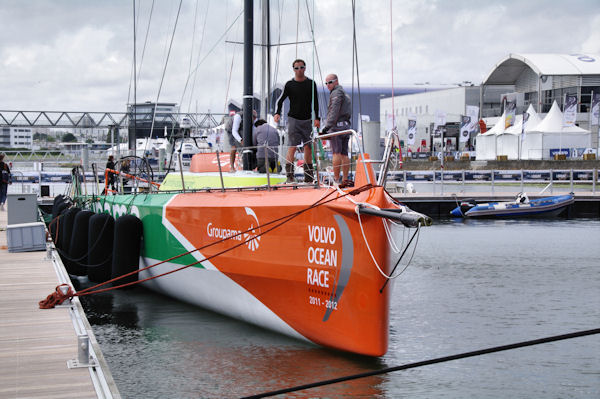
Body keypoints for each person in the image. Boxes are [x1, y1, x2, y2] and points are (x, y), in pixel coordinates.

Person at [274, 59, 320, 183]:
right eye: (296, 68)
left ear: (305, 68)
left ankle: (309, 177)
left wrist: (317, 118)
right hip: (293, 119)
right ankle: (289, 177)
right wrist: (277, 113)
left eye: (301, 67)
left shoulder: (311, 83)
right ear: (293, 69)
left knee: (308, 147)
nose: (299, 70)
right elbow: (280, 100)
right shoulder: (289, 84)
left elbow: (315, 101)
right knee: (292, 147)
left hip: (307, 119)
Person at [321, 74, 352, 187]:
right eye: (326, 83)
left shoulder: (336, 94)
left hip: (337, 127)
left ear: (336, 82)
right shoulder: (345, 95)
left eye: (330, 82)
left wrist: (326, 127)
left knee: (336, 153)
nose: (328, 85)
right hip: (346, 127)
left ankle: (336, 179)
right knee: (344, 154)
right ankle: (345, 179)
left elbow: (334, 112)